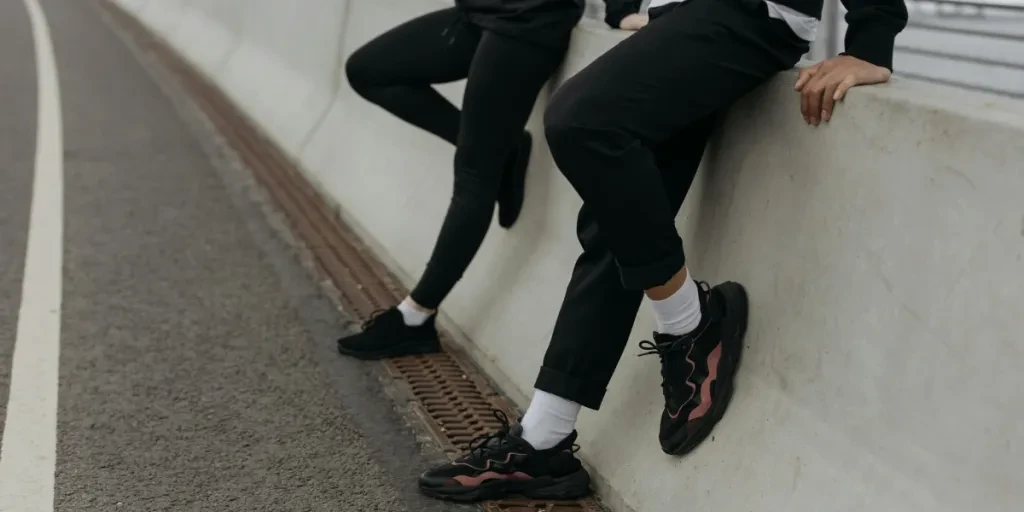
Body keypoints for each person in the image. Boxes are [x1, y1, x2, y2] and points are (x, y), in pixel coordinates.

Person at [416, 0, 907, 503]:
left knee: (580, 120)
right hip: (678, 15)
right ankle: (546, 438)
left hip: (746, 15)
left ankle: (689, 323)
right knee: (620, 221)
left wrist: (871, 42)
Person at [337, 0, 644, 359]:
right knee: (367, 69)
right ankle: (505, 150)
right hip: (479, 11)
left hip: (527, 23)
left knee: (473, 174)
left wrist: (621, 10)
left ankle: (416, 317)